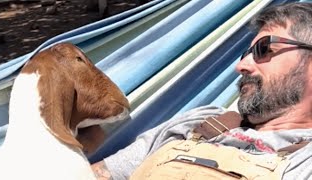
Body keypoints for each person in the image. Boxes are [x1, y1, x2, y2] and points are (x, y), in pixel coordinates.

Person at [91, 2, 312, 179]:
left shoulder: (306, 160)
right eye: (245, 53)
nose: (241, 66)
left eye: (263, 49)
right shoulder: (201, 121)